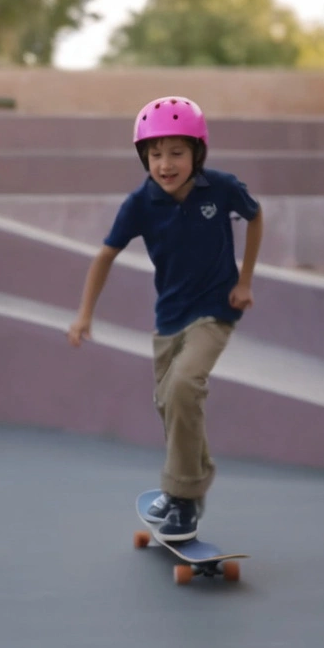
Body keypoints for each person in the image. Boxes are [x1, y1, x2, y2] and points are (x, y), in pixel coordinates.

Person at [66, 95, 264, 542]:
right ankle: (193, 477)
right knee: (170, 403)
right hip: (169, 315)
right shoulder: (140, 203)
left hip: (216, 310)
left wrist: (245, 280)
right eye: (155, 154)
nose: (165, 164)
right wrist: (84, 315)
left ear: (198, 153)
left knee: (183, 386)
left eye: (177, 152)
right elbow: (105, 256)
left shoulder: (222, 188)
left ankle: (182, 499)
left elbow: (254, 217)